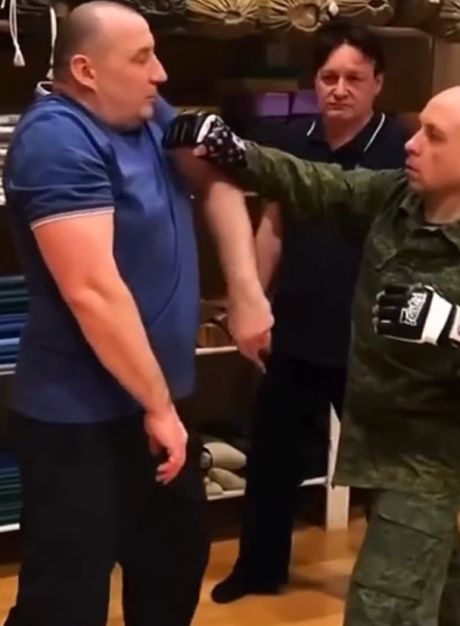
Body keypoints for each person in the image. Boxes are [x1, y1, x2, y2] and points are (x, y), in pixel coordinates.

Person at [2, 3, 272, 626]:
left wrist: (245, 291)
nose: (161, 73)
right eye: (142, 57)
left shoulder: (148, 114)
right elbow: (92, 289)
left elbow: (218, 179)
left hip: (157, 407)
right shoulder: (56, 140)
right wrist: (157, 406)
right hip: (78, 419)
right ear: (85, 70)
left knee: (172, 572)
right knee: (64, 603)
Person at [163, 85, 460, 626]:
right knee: (444, 597)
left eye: (434, 137)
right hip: (385, 445)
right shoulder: (397, 196)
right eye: (418, 129)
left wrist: (453, 326)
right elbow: (320, 182)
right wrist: (239, 153)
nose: (412, 144)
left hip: (429, 461)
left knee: (382, 610)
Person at [210, 21, 408, 603]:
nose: (339, 89)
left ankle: (396, 586)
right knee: (271, 459)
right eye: (328, 77)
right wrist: (250, 300)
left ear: (378, 83)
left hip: (369, 342)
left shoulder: (401, 148)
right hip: (296, 330)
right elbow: (272, 224)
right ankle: (258, 569)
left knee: (385, 473)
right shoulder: (292, 141)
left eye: (353, 78)